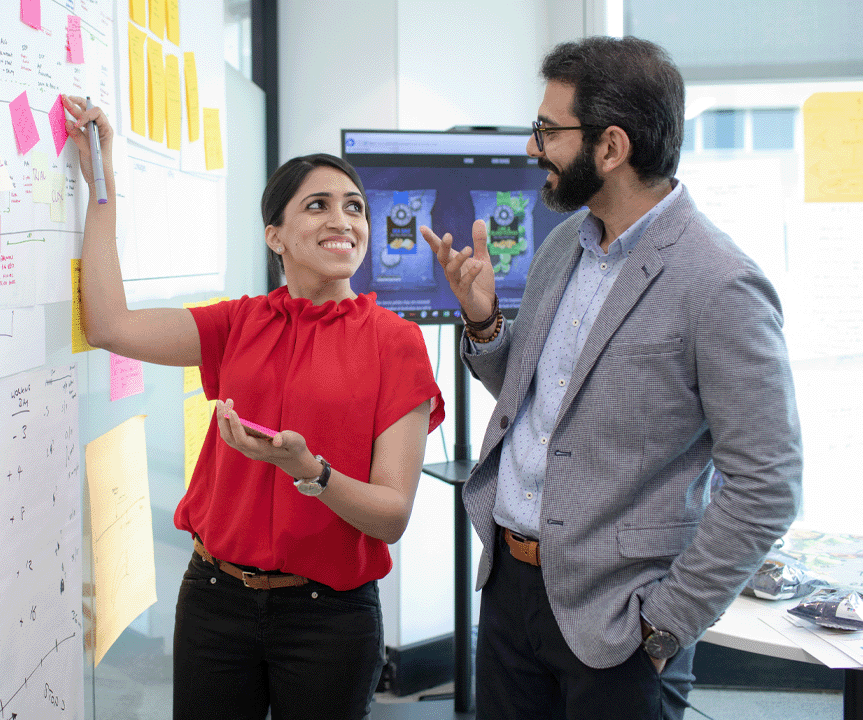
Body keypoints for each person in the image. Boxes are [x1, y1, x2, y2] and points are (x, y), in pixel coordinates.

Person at [421, 37, 801, 719]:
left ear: (612, 147)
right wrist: (483, 320)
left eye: (547, 130)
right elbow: (536, 401)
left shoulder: (721, 283)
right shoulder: (564, 244)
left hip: (622, 622)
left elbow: (768, 484)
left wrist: (664, 626)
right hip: (511, 592)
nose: (534, 149)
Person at [59, 95, 445, 720]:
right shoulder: (240, 323)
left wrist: (310, 471)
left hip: (330, 617)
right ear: (276, 236)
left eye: (355, 208)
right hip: (215, 601)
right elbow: (108, 325)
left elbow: (391, 515)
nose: (342, 219)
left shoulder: (395, 343)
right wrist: (99, 185)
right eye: (317, 205)